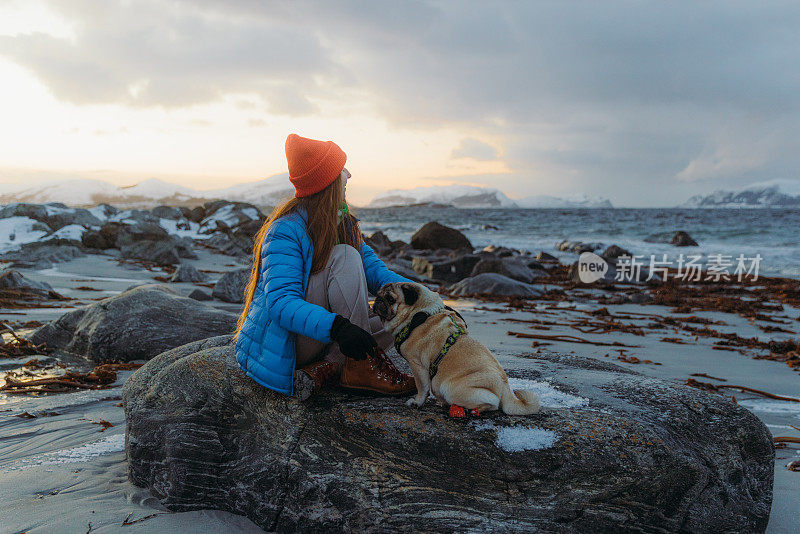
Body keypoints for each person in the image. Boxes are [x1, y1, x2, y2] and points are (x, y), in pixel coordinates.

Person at [233, 133, 416, 401]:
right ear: (327, 183)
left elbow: (377, 273)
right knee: (346, 257)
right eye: (341, 170)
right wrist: (338, 328)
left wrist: (422, 297)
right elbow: (281, 304)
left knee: (403, 314)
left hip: (322, 338)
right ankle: (357, 365)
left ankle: (330, 366)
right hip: (289, 344)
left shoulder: (341, 223)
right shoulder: (285, 230)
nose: (349, 174)